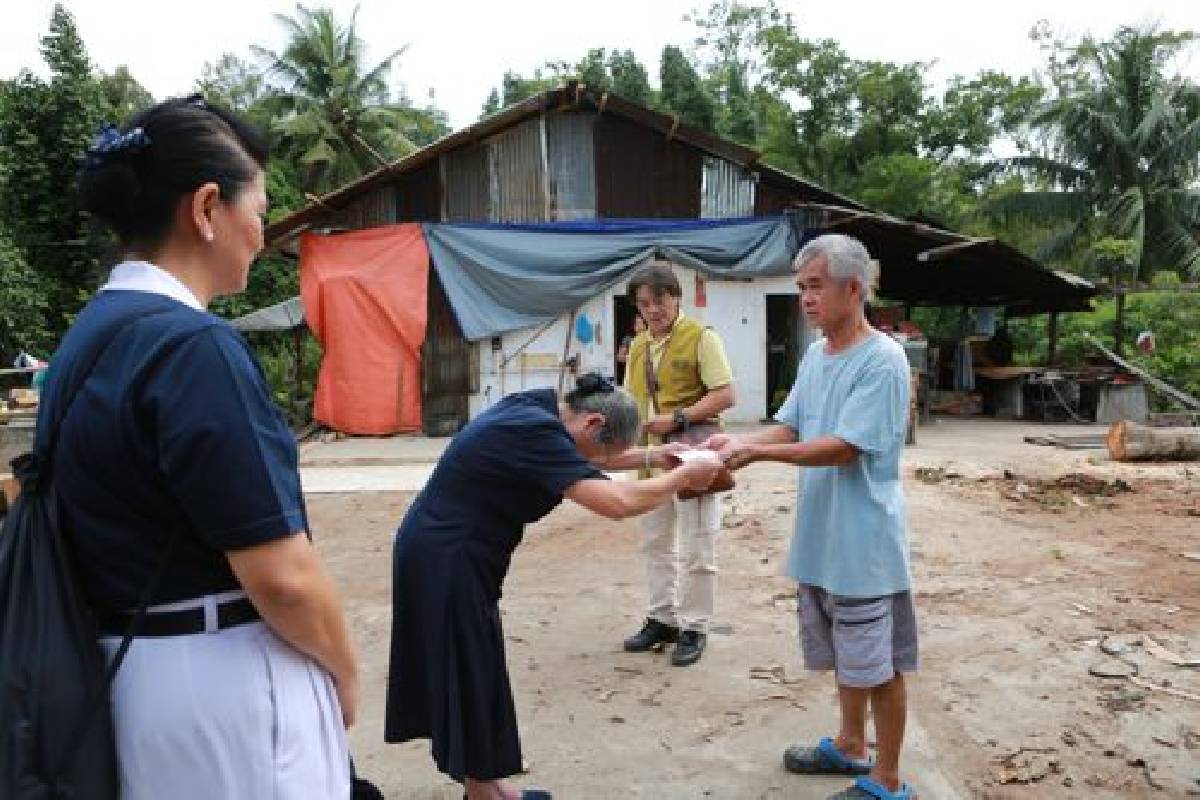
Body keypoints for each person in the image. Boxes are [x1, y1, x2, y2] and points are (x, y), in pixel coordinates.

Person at [41, 95, 358, 798]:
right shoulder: (194, 348)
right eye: (261, 209)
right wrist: (345, 670)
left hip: (127, 676)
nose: (262, 232)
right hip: (224, 689)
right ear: (207, 207)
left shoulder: (85, 340)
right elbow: (282, 578)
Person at [384, 375, 720, 800]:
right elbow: (616, 503)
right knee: (469, 667)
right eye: (604, 447)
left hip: (446, 550)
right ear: (594, 422)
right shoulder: (536, 434)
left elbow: (589, 455)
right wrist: (685, 477)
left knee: (475, 667)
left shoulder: (541, 409)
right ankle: (485, 793)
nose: (602, 459)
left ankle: (485, 784)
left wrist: (660, 455)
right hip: (448, 558)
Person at [705, 234, 917, 800]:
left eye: (815, 287)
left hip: (865, 543)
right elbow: (793, 425)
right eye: (800, 289)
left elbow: (845, 446)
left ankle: (888, 778)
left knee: (879, 663)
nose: (805, 300)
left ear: (855, 289)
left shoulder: (883, 360)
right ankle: (850, 745)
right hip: (823, 537)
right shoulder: (815, 355)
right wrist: (740, 443)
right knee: (849, 655)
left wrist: (756, 454)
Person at [621, 263, 735, 666]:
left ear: (676, 297)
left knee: (699, 547)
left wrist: (677, 419)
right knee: (654, 543)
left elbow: (725, 395)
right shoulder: (637, 346)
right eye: (644, 304)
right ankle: (662, 618)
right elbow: (631, 400)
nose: (654, 310)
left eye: (660, 300)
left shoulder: (701, 338)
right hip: (652, 460)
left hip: (693, 457)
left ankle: (695, 627)